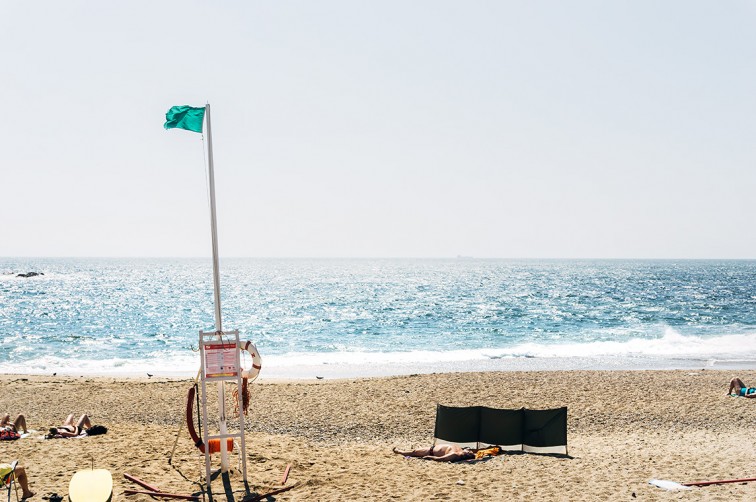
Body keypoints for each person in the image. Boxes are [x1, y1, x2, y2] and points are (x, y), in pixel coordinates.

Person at [393, 443, 475, 462]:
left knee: (414, 452)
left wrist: (429, 457)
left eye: (469, 450)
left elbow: (440, 459)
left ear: (466, 453)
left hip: (430, 451)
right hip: (432, 449)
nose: (469, 449)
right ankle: (401, 451)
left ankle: (399, 451)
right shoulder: (460, 450)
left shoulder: (454, 454)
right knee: (414, 451)